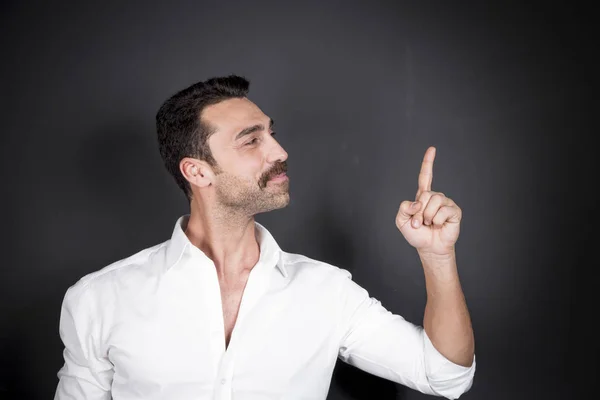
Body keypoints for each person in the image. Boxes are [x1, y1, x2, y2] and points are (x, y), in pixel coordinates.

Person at [54, 75, 476, 400]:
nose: (278, 152)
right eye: (251, 140)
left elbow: (446, 377)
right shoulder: (98, 299)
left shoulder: (326, 291)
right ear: (197, 171)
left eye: (271, 134)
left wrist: (438, 258)